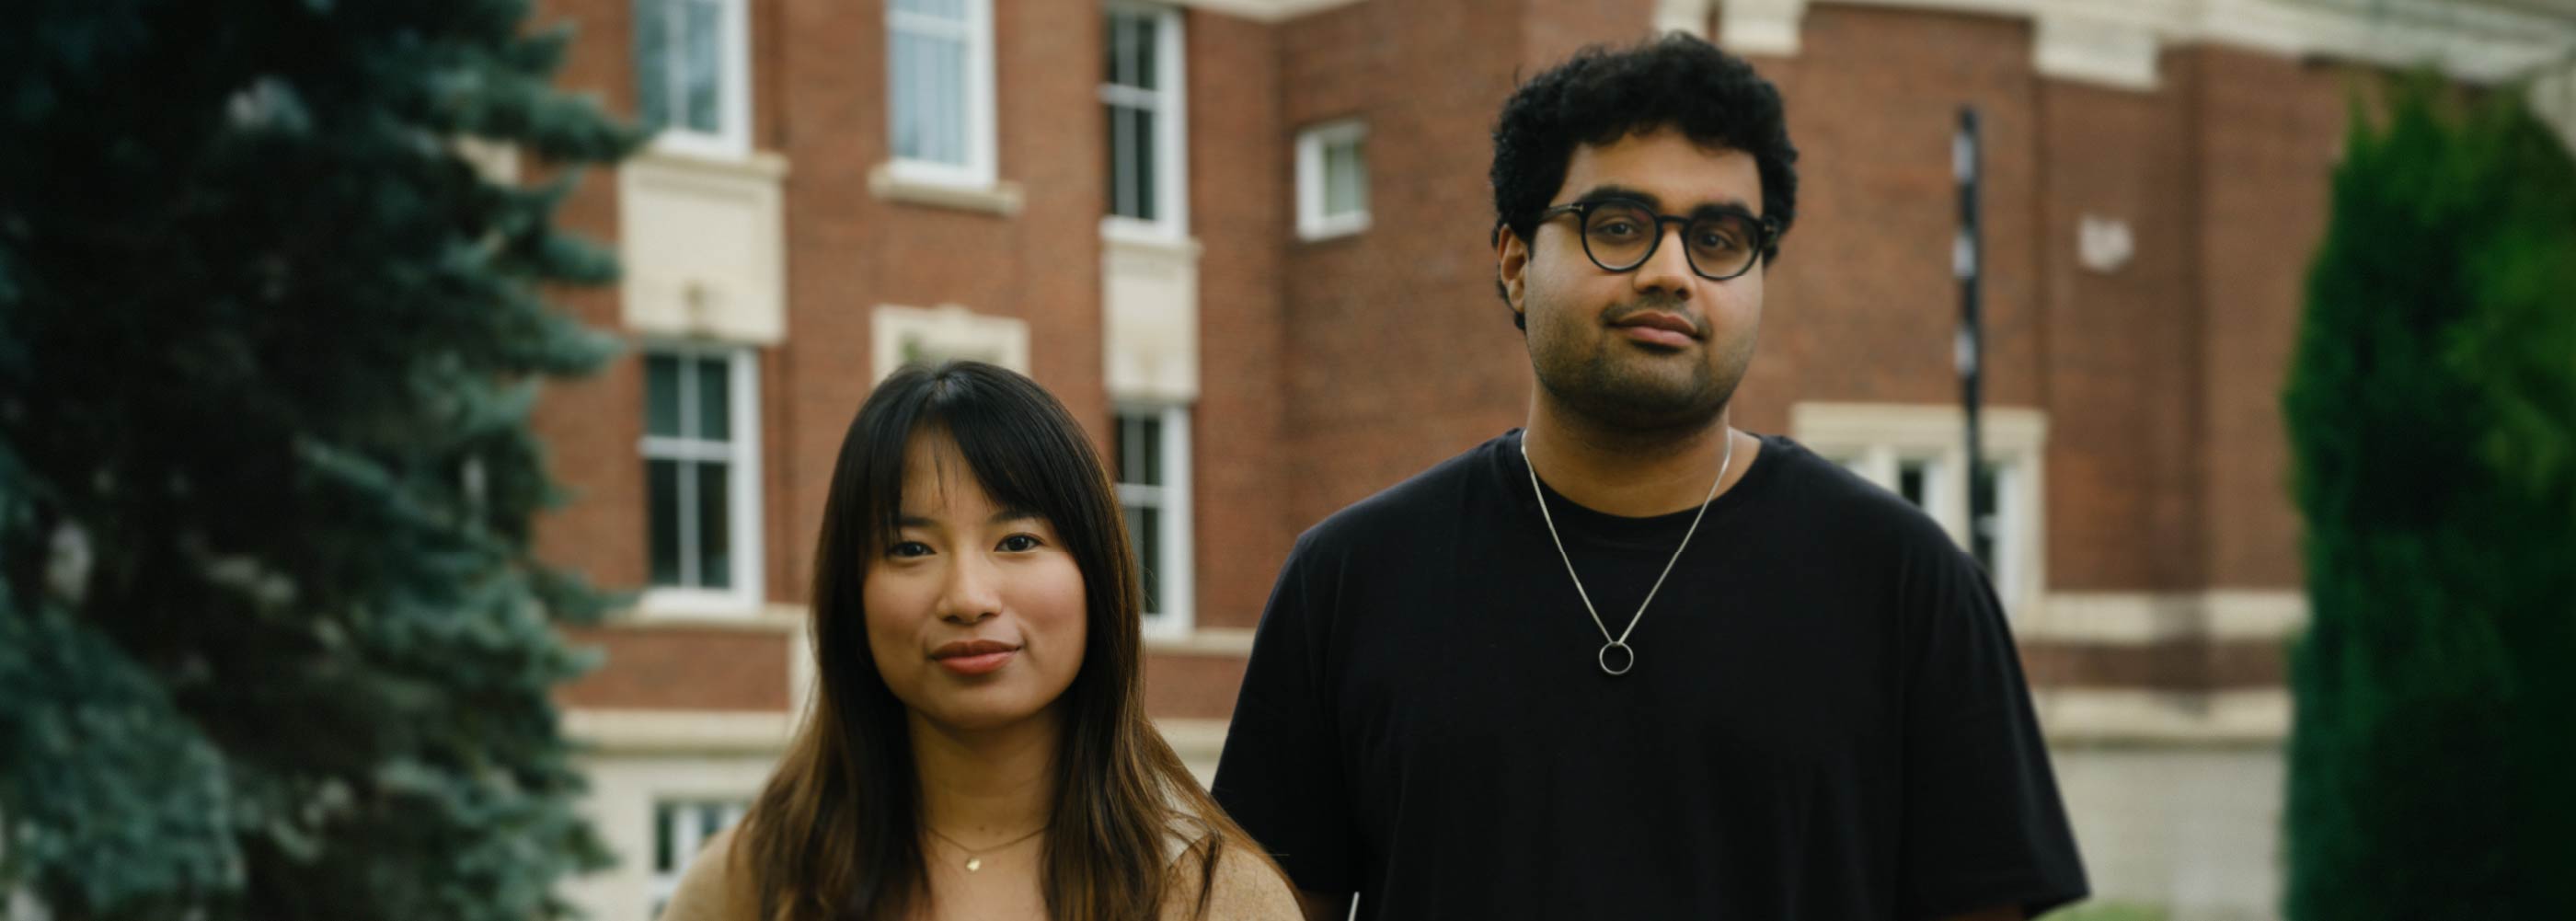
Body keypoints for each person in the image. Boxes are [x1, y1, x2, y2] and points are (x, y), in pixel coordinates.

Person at [1212, 33, 2087, 921]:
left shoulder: (1905, 580)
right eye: (1619, 226)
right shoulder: (1351, 580)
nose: (1672, 273)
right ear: (1516, 264)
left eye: (1718, 238)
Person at [663, 362, 1301, 921]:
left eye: (1018, 541)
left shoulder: (1215, 895)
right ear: (848, 596)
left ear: (1098, 578)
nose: (968, 596)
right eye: (911, 548)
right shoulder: (754, 881)